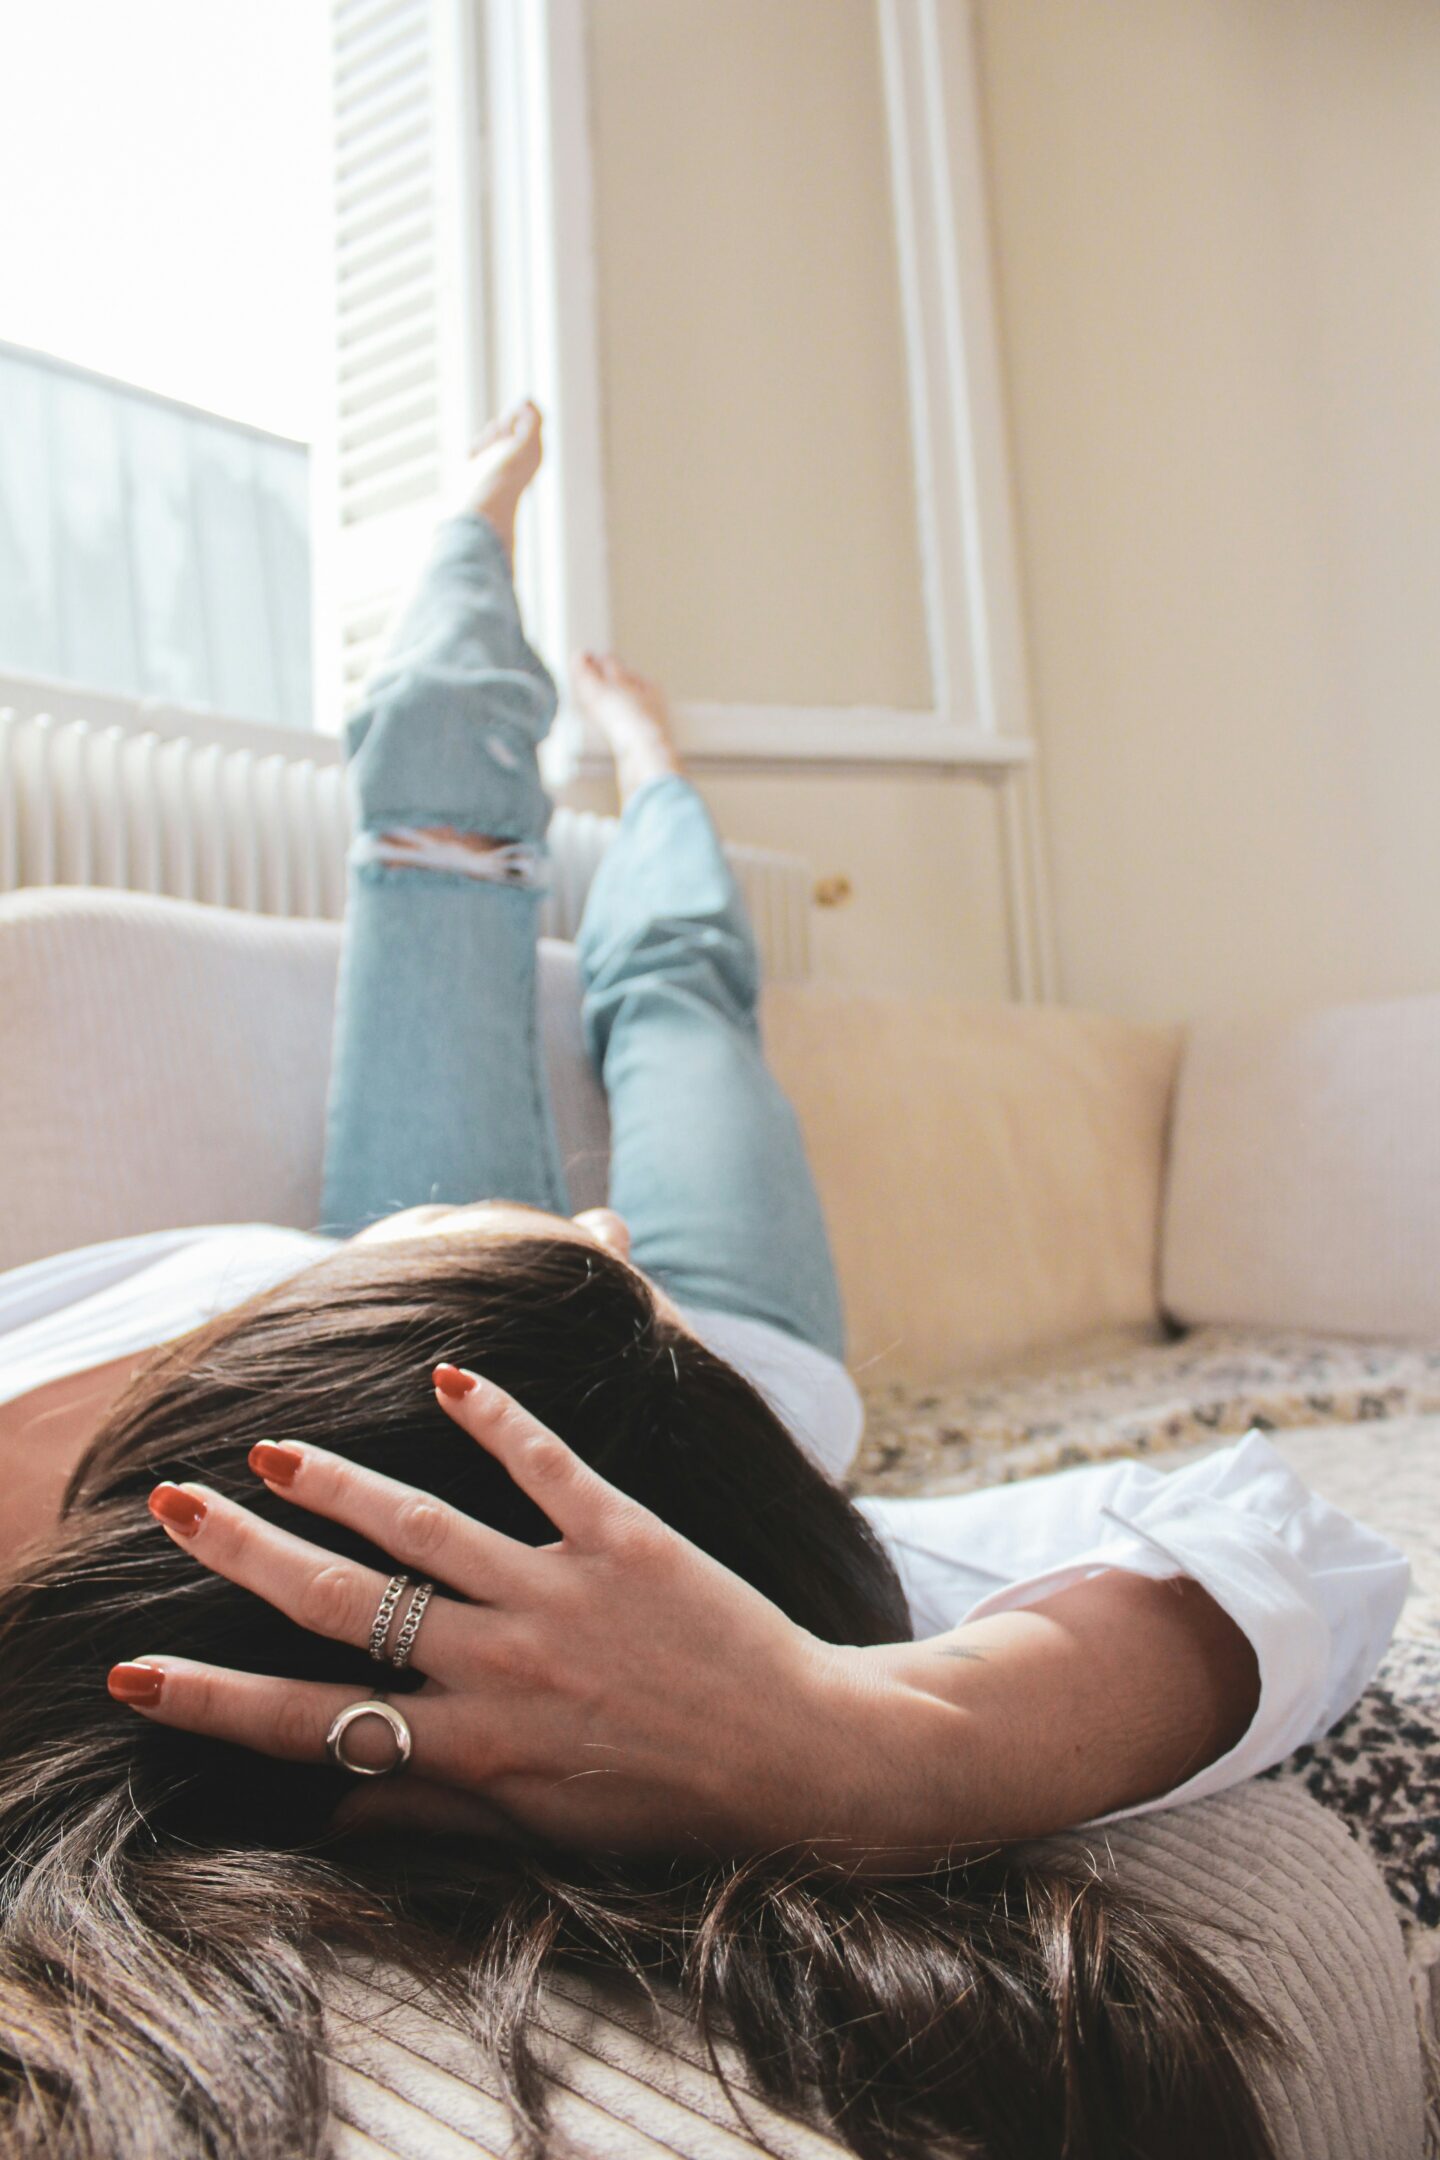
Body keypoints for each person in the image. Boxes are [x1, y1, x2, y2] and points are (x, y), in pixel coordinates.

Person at [0, 402, 1407, 2160]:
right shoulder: (612, 1528)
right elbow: (1296, 1550)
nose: (600, 1231)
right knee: (670, 990)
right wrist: (861, 1744)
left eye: (583, 1254)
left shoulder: (110, 1389)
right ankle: (655, 777)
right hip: (703, 1351)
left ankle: (466, 538)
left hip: (369, 1295)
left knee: (430, 844)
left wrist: (373, 1284)